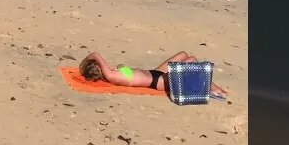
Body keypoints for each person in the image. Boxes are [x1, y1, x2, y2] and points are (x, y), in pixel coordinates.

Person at [78, 50, 228, 99]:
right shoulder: (111, 76)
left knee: (183, 54)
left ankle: (210, 86)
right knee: (192, 61)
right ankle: (212, 88)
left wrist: (123, 68)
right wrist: (85, 62)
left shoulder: (115, 73)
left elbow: (131, 74)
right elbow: (95, 54)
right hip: (158, 82)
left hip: (155, 72)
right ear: (99, 68)